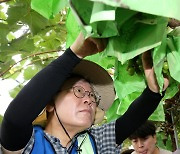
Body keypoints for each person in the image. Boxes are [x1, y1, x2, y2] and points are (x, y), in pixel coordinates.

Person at [0, 32, 169, 154]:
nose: (89, 100)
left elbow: (130, 120)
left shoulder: (97, 142)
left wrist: (153, 92)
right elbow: (15, 121)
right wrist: (74, 54)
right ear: (50, 104)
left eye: (93, 96)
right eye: (79, 90)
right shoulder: (29, 143)